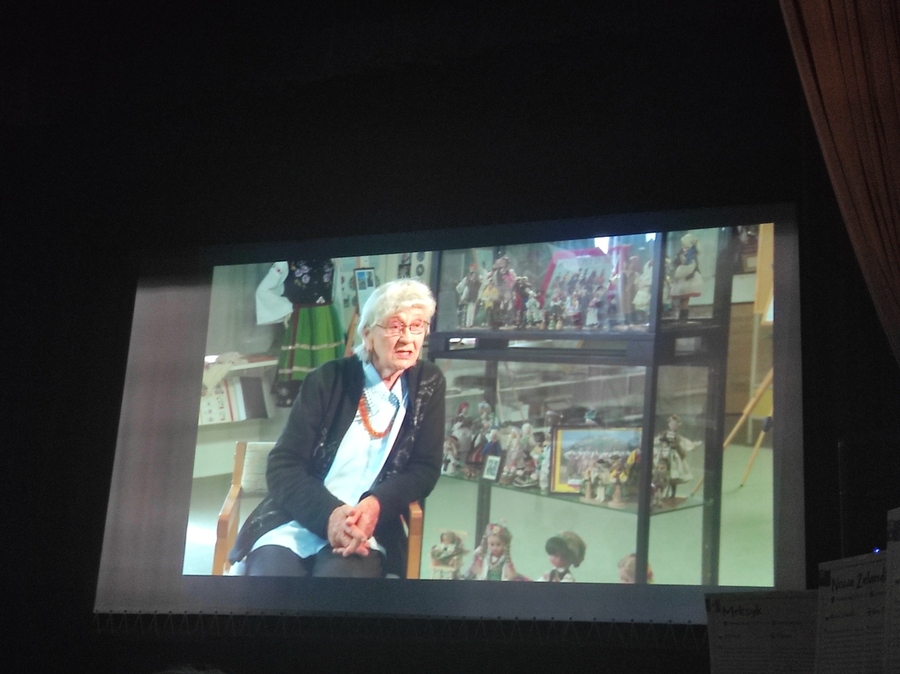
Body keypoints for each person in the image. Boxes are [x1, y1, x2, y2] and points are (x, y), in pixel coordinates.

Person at [228, 278, 446, 578]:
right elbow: (283, 465)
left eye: (417, 326)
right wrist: (329, 516)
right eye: (395, 326)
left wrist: (376, 505)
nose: (407, 338)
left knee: (340, 584)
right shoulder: (327, 380)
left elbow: (424, 468)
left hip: (367, 528)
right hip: (300, 517)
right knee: (272, 583)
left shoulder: (428, 383)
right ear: (368, 335)